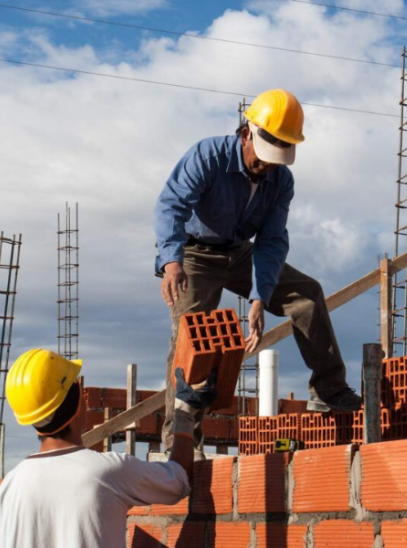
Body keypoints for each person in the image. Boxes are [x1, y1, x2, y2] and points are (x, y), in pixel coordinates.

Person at [154, 88, 363, 454]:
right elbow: (171, 205)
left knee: (307, 295)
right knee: (193, 339)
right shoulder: (208, 156)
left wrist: (258, 297)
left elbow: (271, 241)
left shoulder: (281, 181)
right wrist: (172, 261)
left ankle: (329, 390)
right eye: (265, 155)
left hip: (240, 253)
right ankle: (181, 442)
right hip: (194, 255)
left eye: (278, 156)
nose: (268, 164)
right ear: (247, 132)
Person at [0, 348, 216, 548]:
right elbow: (178, 480)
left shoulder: (10, 486)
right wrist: (185, 413)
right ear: (79, 402)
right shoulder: (106, 472)